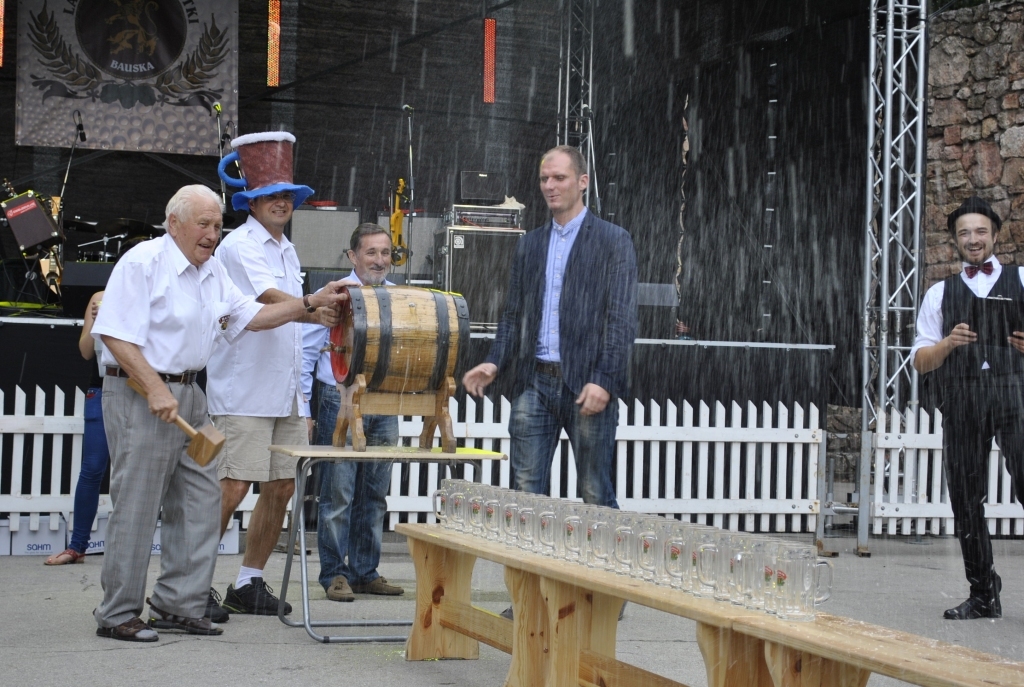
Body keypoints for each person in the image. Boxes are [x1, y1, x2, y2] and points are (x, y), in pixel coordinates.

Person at [90, 184, 347, 642]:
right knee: (138, 505)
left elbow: (253, 316)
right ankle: (117, 614)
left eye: (216, 225)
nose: (212, 234)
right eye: (203, 224)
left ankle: (177, 604)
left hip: (190, 393)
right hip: (141, 391)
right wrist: (155, 387)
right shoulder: (143, 262)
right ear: (174, 224)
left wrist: (309, 302)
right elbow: (112, 333)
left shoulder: (212, 272)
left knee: (201, 500)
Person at [462, 145, 638, 507]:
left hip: (587, 381)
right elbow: (513, 314)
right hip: (534, 382)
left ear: (583, 181)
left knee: (595, 492)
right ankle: (531, 551)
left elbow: (621, 319)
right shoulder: (530, 244)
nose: (550, 186)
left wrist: (605, 380)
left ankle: (602, 550)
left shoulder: (613, 240)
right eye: (544, 178)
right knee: (526, 495)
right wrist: (494, 361)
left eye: (559, 177)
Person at [206, 131, 326, 619]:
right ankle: (190, 583)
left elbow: (293, 315)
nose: (281, 202)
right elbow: (270, 301)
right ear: (251, 202)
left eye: (287, 195)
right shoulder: (239, 245)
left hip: (286, 390)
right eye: (270, 195)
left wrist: (316, 309)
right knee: (232, 486)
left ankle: (247, 582)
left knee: (282, 487)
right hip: (243, 389)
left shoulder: (287, 249)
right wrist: (317, 305)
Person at [911, 195, 1024, 620]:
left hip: (1016, 394)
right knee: (965, 498)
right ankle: (983, 593)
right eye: (964, 233)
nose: (973, 239)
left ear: (995, 235)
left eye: (980, 231)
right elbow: (921, 361)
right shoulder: (939, 293)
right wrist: (948, 343)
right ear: (955, 240)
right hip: (963, 398)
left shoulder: (1022, 279)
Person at [301, 223, 403, 602]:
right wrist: (304, 407)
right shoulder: (335, 295)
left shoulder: (398, 297)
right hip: (338, 398)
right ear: (352, 256)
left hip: (384, 400)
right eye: (371, 252)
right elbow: (307, 352)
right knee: (338, 493)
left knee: (374, 494)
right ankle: (334, 574)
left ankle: (364, 572)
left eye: (385, 253)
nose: (379, 260)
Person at [44, 292, 109, 565]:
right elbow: (85, 351)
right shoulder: (100, 297)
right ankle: (77, 547)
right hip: (101, 389)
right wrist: (97, 324)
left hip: (137, 390)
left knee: (135, 472)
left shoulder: (153, 293)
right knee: (92, 469)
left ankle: (127, 549)